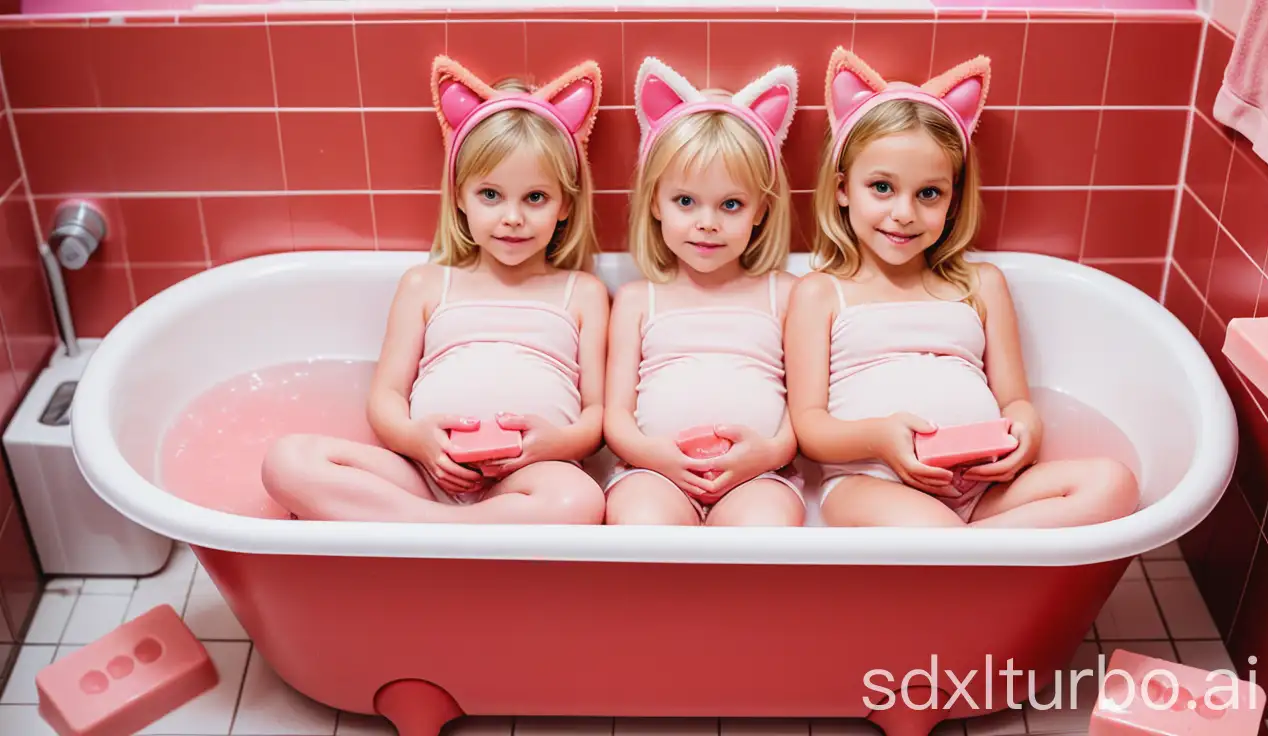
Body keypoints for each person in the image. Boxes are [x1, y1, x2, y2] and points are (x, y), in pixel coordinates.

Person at [784, 47, 1139, 528]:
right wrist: (879, 438)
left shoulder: (980, 285)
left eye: (928, 193)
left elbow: (1015, 400)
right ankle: (970, 552)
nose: (904, 213)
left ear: (953, 201)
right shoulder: (822, 293)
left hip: (982, 485)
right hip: (872, 482)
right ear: (844, 189)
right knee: (930, 530)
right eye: (882, 187)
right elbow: (809, 427)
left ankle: (966, 549)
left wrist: (1026, 432)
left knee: (1113, 483)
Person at [261, 56, 610, 524]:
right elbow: (385, 396)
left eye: (535, 197)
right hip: (423, 477)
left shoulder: (582, 293)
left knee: (580, 500)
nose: (512, 216)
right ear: (461, 195)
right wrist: (417, 440)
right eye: (491, 195)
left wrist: (554, 444)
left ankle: (420, 531)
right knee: (288, 460)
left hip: (528, 478)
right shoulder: (426, 284)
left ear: (565, 204)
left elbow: (595, 416)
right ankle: (452, 529)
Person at [601, 57, 806, 527]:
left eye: (731, 204)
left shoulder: (788, 295)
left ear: (761, 210)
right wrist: (656, 456)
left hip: (759, 476)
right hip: (651, 471)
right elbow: (616, 417)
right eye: (685, 201)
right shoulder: (637, 300)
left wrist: (770, 452)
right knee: (642, 527)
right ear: (655, 201)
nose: (707, 222)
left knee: (765, 532)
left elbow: (804, 408)